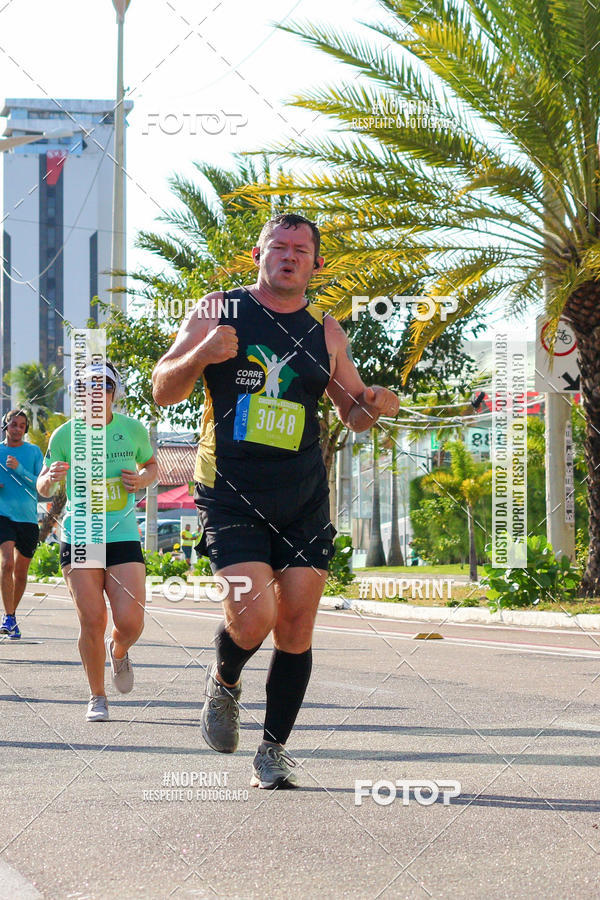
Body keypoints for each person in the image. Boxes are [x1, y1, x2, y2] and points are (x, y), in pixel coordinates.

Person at [152, 213, 399, 789]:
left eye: (301, 249)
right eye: (278, 247)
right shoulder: (220, 310)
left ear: (315, 262)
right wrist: (203, 355)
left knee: (295, 625)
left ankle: (274, 748)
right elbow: (163, 387)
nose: (289, 256)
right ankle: (225, 680)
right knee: (253, 615)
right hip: (232, 491)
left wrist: (374, 404)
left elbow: (352, 412)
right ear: (259, 254)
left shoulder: (327, 332)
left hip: (303, 495)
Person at [37, 362, 158, 722]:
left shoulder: (131, 430)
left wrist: (140, 480)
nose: (95, 392)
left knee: (131, 622)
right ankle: (97, 696)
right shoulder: (63, 436)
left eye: (103, 386)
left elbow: (153, 468)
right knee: (92, 619)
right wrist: (50, 478)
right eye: (87, 386)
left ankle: (118, 650)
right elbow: (44, 487)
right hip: (80, 534)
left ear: (113, 392)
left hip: (121, 534)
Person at [0, 409, 44, 639]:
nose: (16, 429)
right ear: (5, 426)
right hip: (2, 515)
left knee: (21, 572)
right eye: (12, 424)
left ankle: (11, 615)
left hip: (27, 518)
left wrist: (20, 469)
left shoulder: (34, 452)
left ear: (25, 429)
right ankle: (8, 617)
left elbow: (41, 485)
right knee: (7, 563)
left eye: (21, 425)